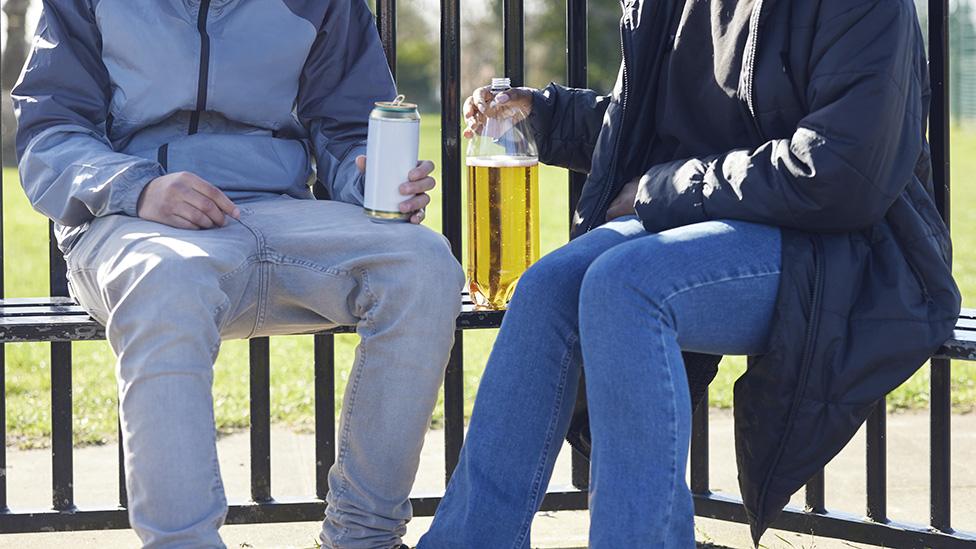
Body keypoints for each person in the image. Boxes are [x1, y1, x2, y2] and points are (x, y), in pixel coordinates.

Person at [420, 0, 961, 547]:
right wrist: (545, 114)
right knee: (549, 288)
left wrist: (664, 189)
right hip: (708, 214)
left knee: (626, 286)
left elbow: (843, 171)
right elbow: (659, 127)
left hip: (840, 248)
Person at [12, 1, 464, 548]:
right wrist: (140, 188)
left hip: (280, 212)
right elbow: (49, 133)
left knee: (422, 265)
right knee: (166, 276)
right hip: (130, 219)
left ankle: (364, 538)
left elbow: (347, 131)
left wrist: (370, 181)